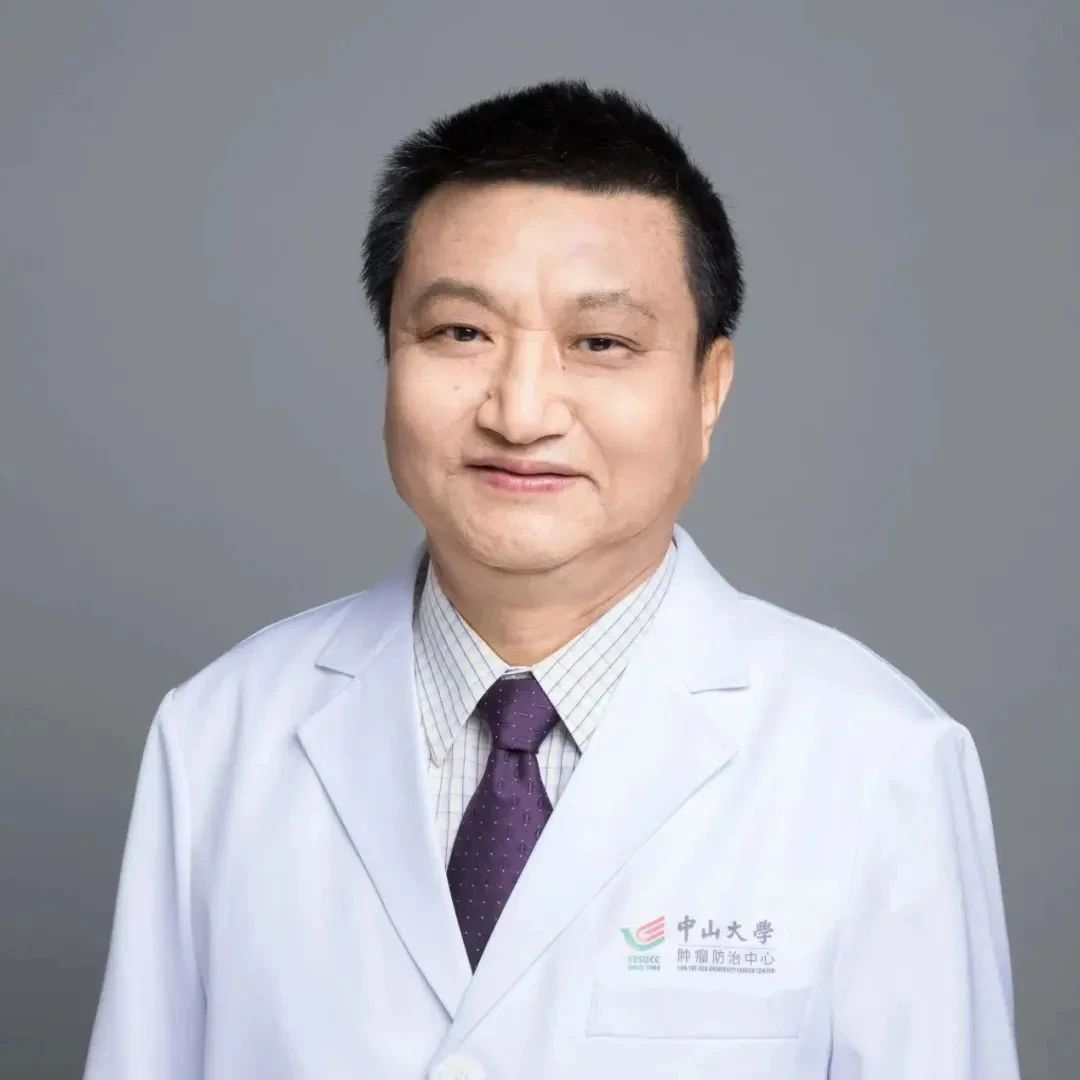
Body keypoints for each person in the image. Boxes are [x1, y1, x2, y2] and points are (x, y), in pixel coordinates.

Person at [83, 78, 1021, 1080]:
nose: (521, 412)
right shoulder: (221, 735)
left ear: (708, 388)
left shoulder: (879, 764)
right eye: (461, 333)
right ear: (390, 353)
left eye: (601, 343)